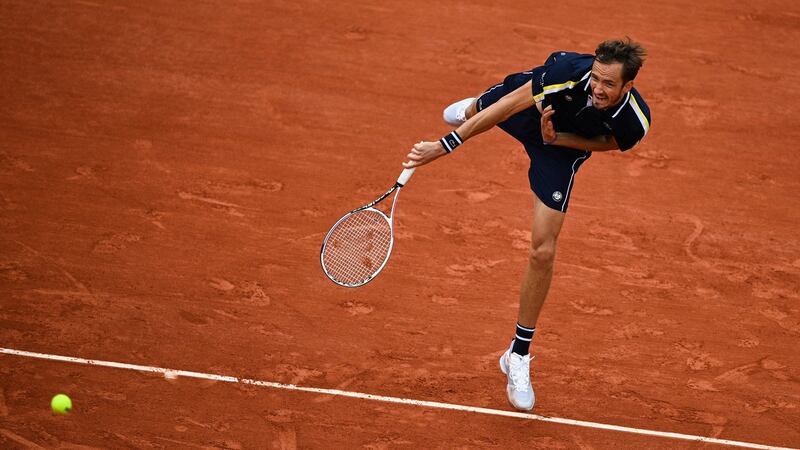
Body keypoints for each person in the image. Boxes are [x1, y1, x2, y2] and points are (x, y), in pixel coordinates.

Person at [402, 38, 651, 411]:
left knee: (543, 250)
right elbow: (508, 107)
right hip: (527, 107)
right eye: (596, 79)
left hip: (559, 147)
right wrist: (445, 145)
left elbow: (612, 142)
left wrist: (560, 139)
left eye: (609, 85)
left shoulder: (635, 120)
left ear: (627, 87)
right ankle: (472, 105)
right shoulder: (566, 73)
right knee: (481, 111)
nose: (598, 88)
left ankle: (517, 355)